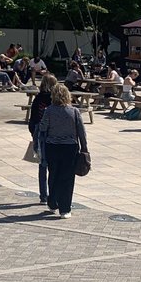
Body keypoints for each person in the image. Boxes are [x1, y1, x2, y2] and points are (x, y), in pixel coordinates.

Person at [37, 82, 88, 218]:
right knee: (67, 178)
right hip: (69, 147)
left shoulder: (49, 110)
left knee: (53, 175)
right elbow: (81, 132)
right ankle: (65, 209)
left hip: (52, 146)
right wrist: (85, 148)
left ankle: (53, 203)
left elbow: (42, 128)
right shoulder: (74, 111)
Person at [28, 73, 57, 204]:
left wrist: (34, 134)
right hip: (52, 134)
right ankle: (53, 194)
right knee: (53, 166)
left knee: (42, 165)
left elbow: (32, 120)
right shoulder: (55, 100)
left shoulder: (38, 98)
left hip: (39, 134)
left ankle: (43, 196)